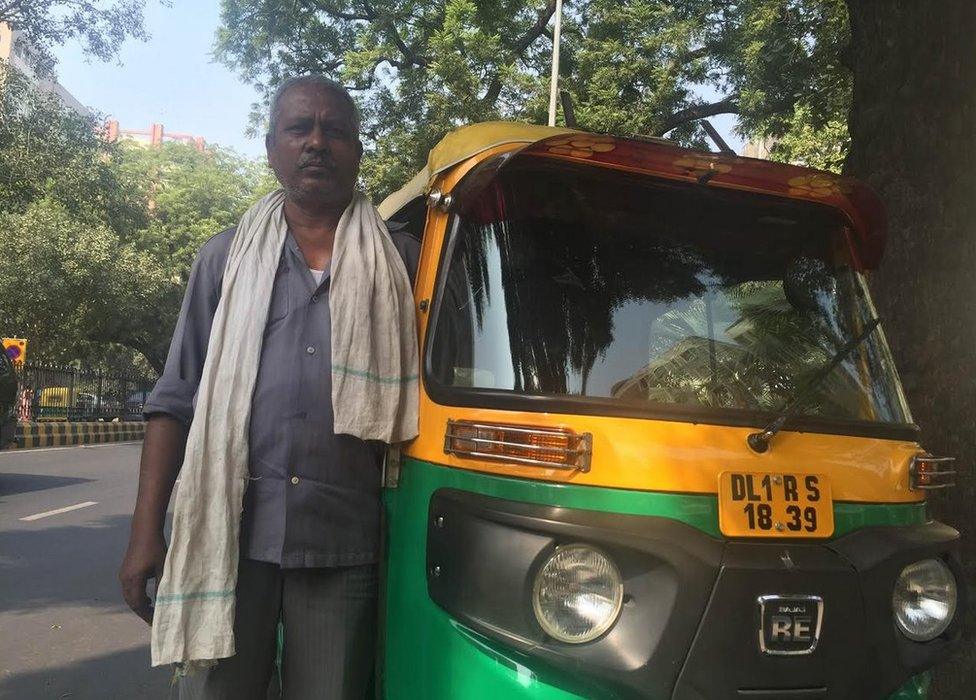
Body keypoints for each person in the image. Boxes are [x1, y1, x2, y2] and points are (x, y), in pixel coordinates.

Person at [118, 75, 420, 699]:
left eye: (334, 130)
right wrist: (146, 532)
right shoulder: (225, 260)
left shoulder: (404, 262)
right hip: (229, 535)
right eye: (298, 129)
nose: (316, 142)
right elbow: (174, 401)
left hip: (345, 544)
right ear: (270, 149)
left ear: (357, 150)